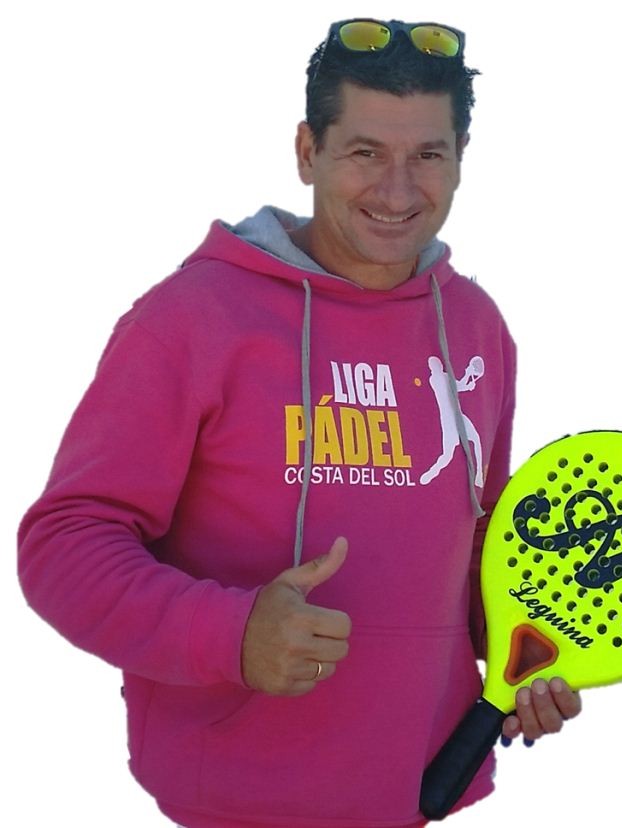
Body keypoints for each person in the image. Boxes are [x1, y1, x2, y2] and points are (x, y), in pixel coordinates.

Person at [17, 18, 581, 828]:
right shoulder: (191, 320)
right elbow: (64, 545)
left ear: (461, 157)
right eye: (365, 153)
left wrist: (531, 654)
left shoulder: (477, 325)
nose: (397, 192)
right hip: (234, 802)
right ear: (307, 152)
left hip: (427, 793)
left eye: (428, 155)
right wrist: (233, 634)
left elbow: (476, 552)